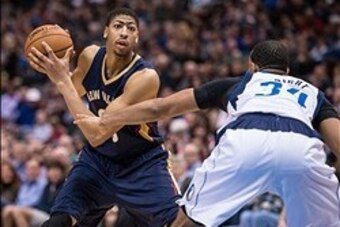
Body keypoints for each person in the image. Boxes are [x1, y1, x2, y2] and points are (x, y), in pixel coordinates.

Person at [74, 40, 340, 227]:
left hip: (246, 142)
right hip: (301, 148)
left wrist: (109, 116)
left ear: (252, 66)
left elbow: (162, 106)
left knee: (186, 221)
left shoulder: (241, 83)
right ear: (288, 72)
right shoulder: (312, 93)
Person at [27, 8, 180, 227]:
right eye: (118, 26)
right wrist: (55, 68)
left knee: (180, 222)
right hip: (97, 161)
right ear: (106, 32)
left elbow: (97, 133)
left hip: (141, 164)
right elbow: (74, 87)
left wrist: (62, 81)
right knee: (58, 222)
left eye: (131, 28)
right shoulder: (90, 56)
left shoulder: (145, 77)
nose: (124, 32)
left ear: (137, 37)